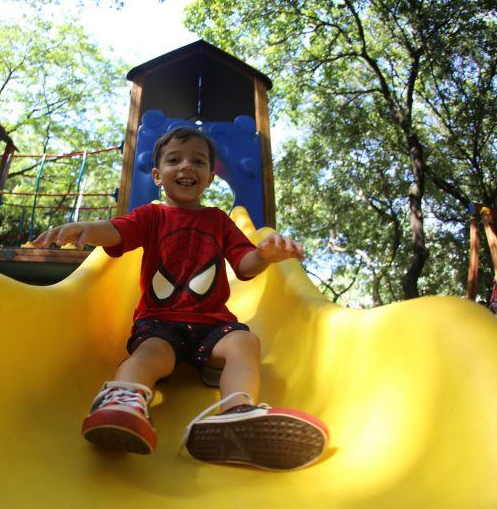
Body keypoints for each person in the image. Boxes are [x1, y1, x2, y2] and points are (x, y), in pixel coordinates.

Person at [34, 127, 328, 470]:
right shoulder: (152, 215)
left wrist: (264, 255)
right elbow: (118, 231)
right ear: (158, 175)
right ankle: (124, 401)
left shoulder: (218, 221)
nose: (186, 166)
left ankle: (236, 411)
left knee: (245, 343)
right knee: (150, 355)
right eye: (175, 159)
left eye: (198, 161)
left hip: (213, 325)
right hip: (161, 323)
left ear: (209, 178)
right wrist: (87, 229)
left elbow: (244, 266)